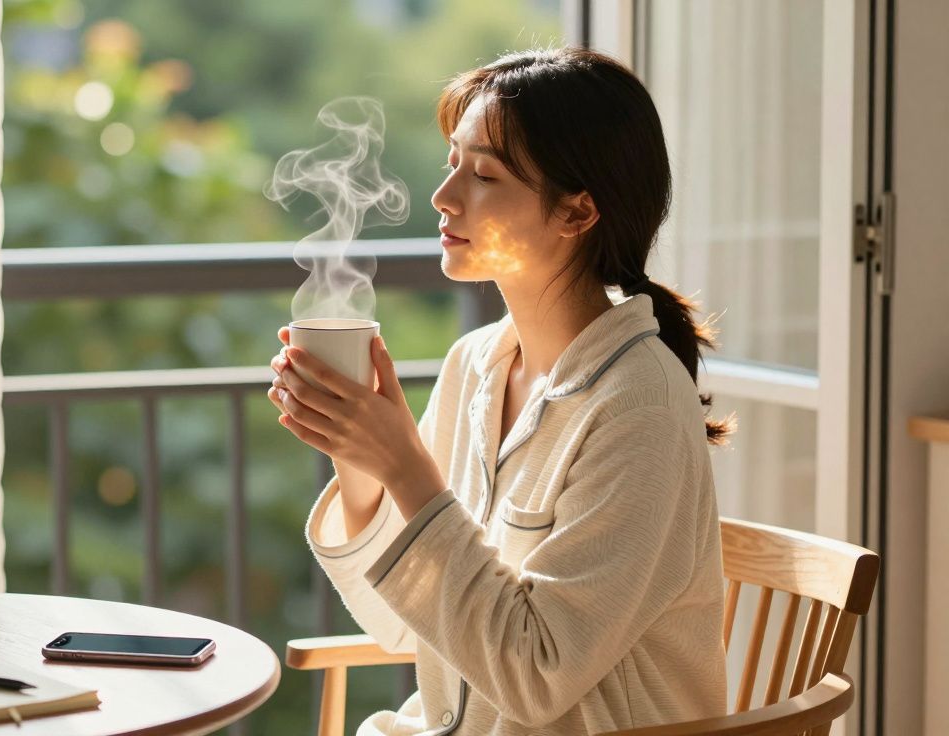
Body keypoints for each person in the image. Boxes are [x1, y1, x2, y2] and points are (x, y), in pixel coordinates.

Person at [268, 47, 732, 735]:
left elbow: (538, 672)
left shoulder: (640, 404)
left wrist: (405, 465)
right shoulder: (476, 365)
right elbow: (405, 622)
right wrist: (357, 452)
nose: (445, 196)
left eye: (484, 174)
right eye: (454, 161)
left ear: (577, 214)